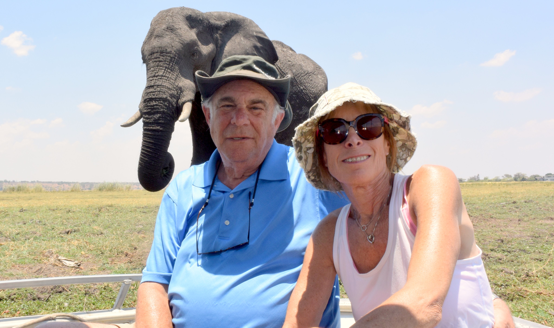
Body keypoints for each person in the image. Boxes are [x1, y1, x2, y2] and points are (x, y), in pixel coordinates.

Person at [136, 55, 348, 328]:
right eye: (227, 106)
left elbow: (381, 210)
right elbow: (156, 282)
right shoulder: (183, 187)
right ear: (208, 116)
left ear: (277, 120)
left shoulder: (314, 177)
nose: (239, 119)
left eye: (256, 108)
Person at [283, 82, 513, 328]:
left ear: (387, 143)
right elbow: (298, 322)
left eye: (368, 126)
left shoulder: (429, 185)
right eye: (333, 131)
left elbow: (424, 304)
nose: (352, 139)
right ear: (323, 157)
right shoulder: (329, 233)